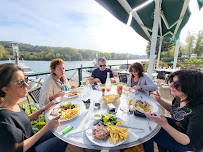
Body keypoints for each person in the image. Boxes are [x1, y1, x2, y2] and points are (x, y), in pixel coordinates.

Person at [0, 63, 67, 152]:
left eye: (25, 80)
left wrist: (43, 109)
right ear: (6, 89)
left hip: (31, 140)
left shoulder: (13, 104)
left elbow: (23, 120)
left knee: (61, 131)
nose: (26, 85)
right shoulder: (4, 118)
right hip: (29, 149)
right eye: (20, 82)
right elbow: (16, 149)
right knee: (62, 139)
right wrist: (46, 127)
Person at [143, 70, 203, 152]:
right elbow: (175, 111)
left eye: (176, 84)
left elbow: (188, 141)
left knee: (151, 133)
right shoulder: (180, 98)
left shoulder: (199, 111)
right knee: (149, 122)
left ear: (190, 87)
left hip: (188, 147)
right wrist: (159, 100)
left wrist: (165, 125)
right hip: (178, 129)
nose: (170, 85)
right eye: (172, 82)